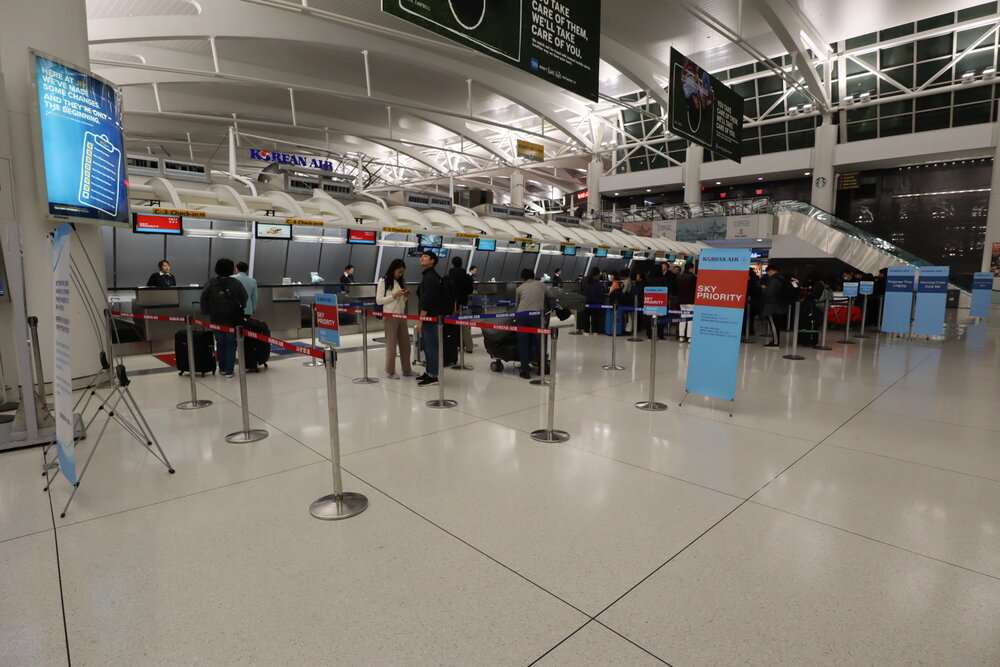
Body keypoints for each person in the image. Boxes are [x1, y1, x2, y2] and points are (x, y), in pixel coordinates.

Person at [200, 258, 248, 378]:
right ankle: (229, 370)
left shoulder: (211, 282)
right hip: (232, 318)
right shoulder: (235, 282)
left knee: (220, 343)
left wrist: (206, 311)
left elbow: (203, 297)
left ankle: (221, 368)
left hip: (216, 317)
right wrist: (241, 307)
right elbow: (244, 296)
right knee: (231, 344)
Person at [376, 259, 417, 379]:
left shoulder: (399, 282)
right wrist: (395, 295)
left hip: (401, 315)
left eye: (402, 272)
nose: (401, 274)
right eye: (399, 272)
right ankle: (390, 371)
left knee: (405, 344)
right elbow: (379, 300)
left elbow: (400, 301)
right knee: (391, 345)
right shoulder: (383, 281)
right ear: (393, 269)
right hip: (390, 316)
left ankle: (407, 369)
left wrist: (405, 296)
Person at [515, 268, 553, 380]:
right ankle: (542, 368)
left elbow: (517, 304)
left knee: (523, 344)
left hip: (522, 316)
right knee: (539, 342)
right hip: (537, 316)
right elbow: (551, 296)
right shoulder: (541, 285)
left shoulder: (519, 288)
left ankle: (525, 370)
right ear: (534, 276)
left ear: (522, 278)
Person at [415, 251, 443, 387]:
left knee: (431, 346)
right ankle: (428, 371)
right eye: (422, 256)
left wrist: (421, 319)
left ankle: (433, 376)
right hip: (428, 317)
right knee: (426, 345)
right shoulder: (428, 276)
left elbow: (428, 300)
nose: (422, 258)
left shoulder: (431, 277)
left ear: (432, 261)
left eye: (425, 256)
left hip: (430, 318)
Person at [449, 256, 475, 354]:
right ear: (461, 264)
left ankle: (454, 346)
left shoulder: (449, 276)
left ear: (452, 264)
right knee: (465, 327)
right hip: (464, 304)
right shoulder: (467, 277)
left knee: (453, 327)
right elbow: (470, 290)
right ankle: (469, 347)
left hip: (452, 305)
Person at [761, 265, 788, 348]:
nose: (767, 274)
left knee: (773, 324)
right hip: (780, 304)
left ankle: (776, 342)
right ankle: (775, 341)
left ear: (771, 270)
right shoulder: (782, 278)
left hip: (772, 306)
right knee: (776, 324)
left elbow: (769, 293)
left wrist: (764, 288)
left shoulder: (774, 280)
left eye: (767, 272)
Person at [675, 262, 697, 343]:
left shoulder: (679, 277)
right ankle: (689, 337)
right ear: (691, 268)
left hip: (681, 301)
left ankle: (681, 336)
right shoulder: (693, 277)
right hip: (691, 301)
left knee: (683, 318)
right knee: (690, 319)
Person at [583, 267, 605, 334]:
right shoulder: (598, 282)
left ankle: (586, 330)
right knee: (595, 316)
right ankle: (595, 330)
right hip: (596, 302)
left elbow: (583, 290)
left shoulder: (585, 280)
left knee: (586, 316)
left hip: (587, 300)